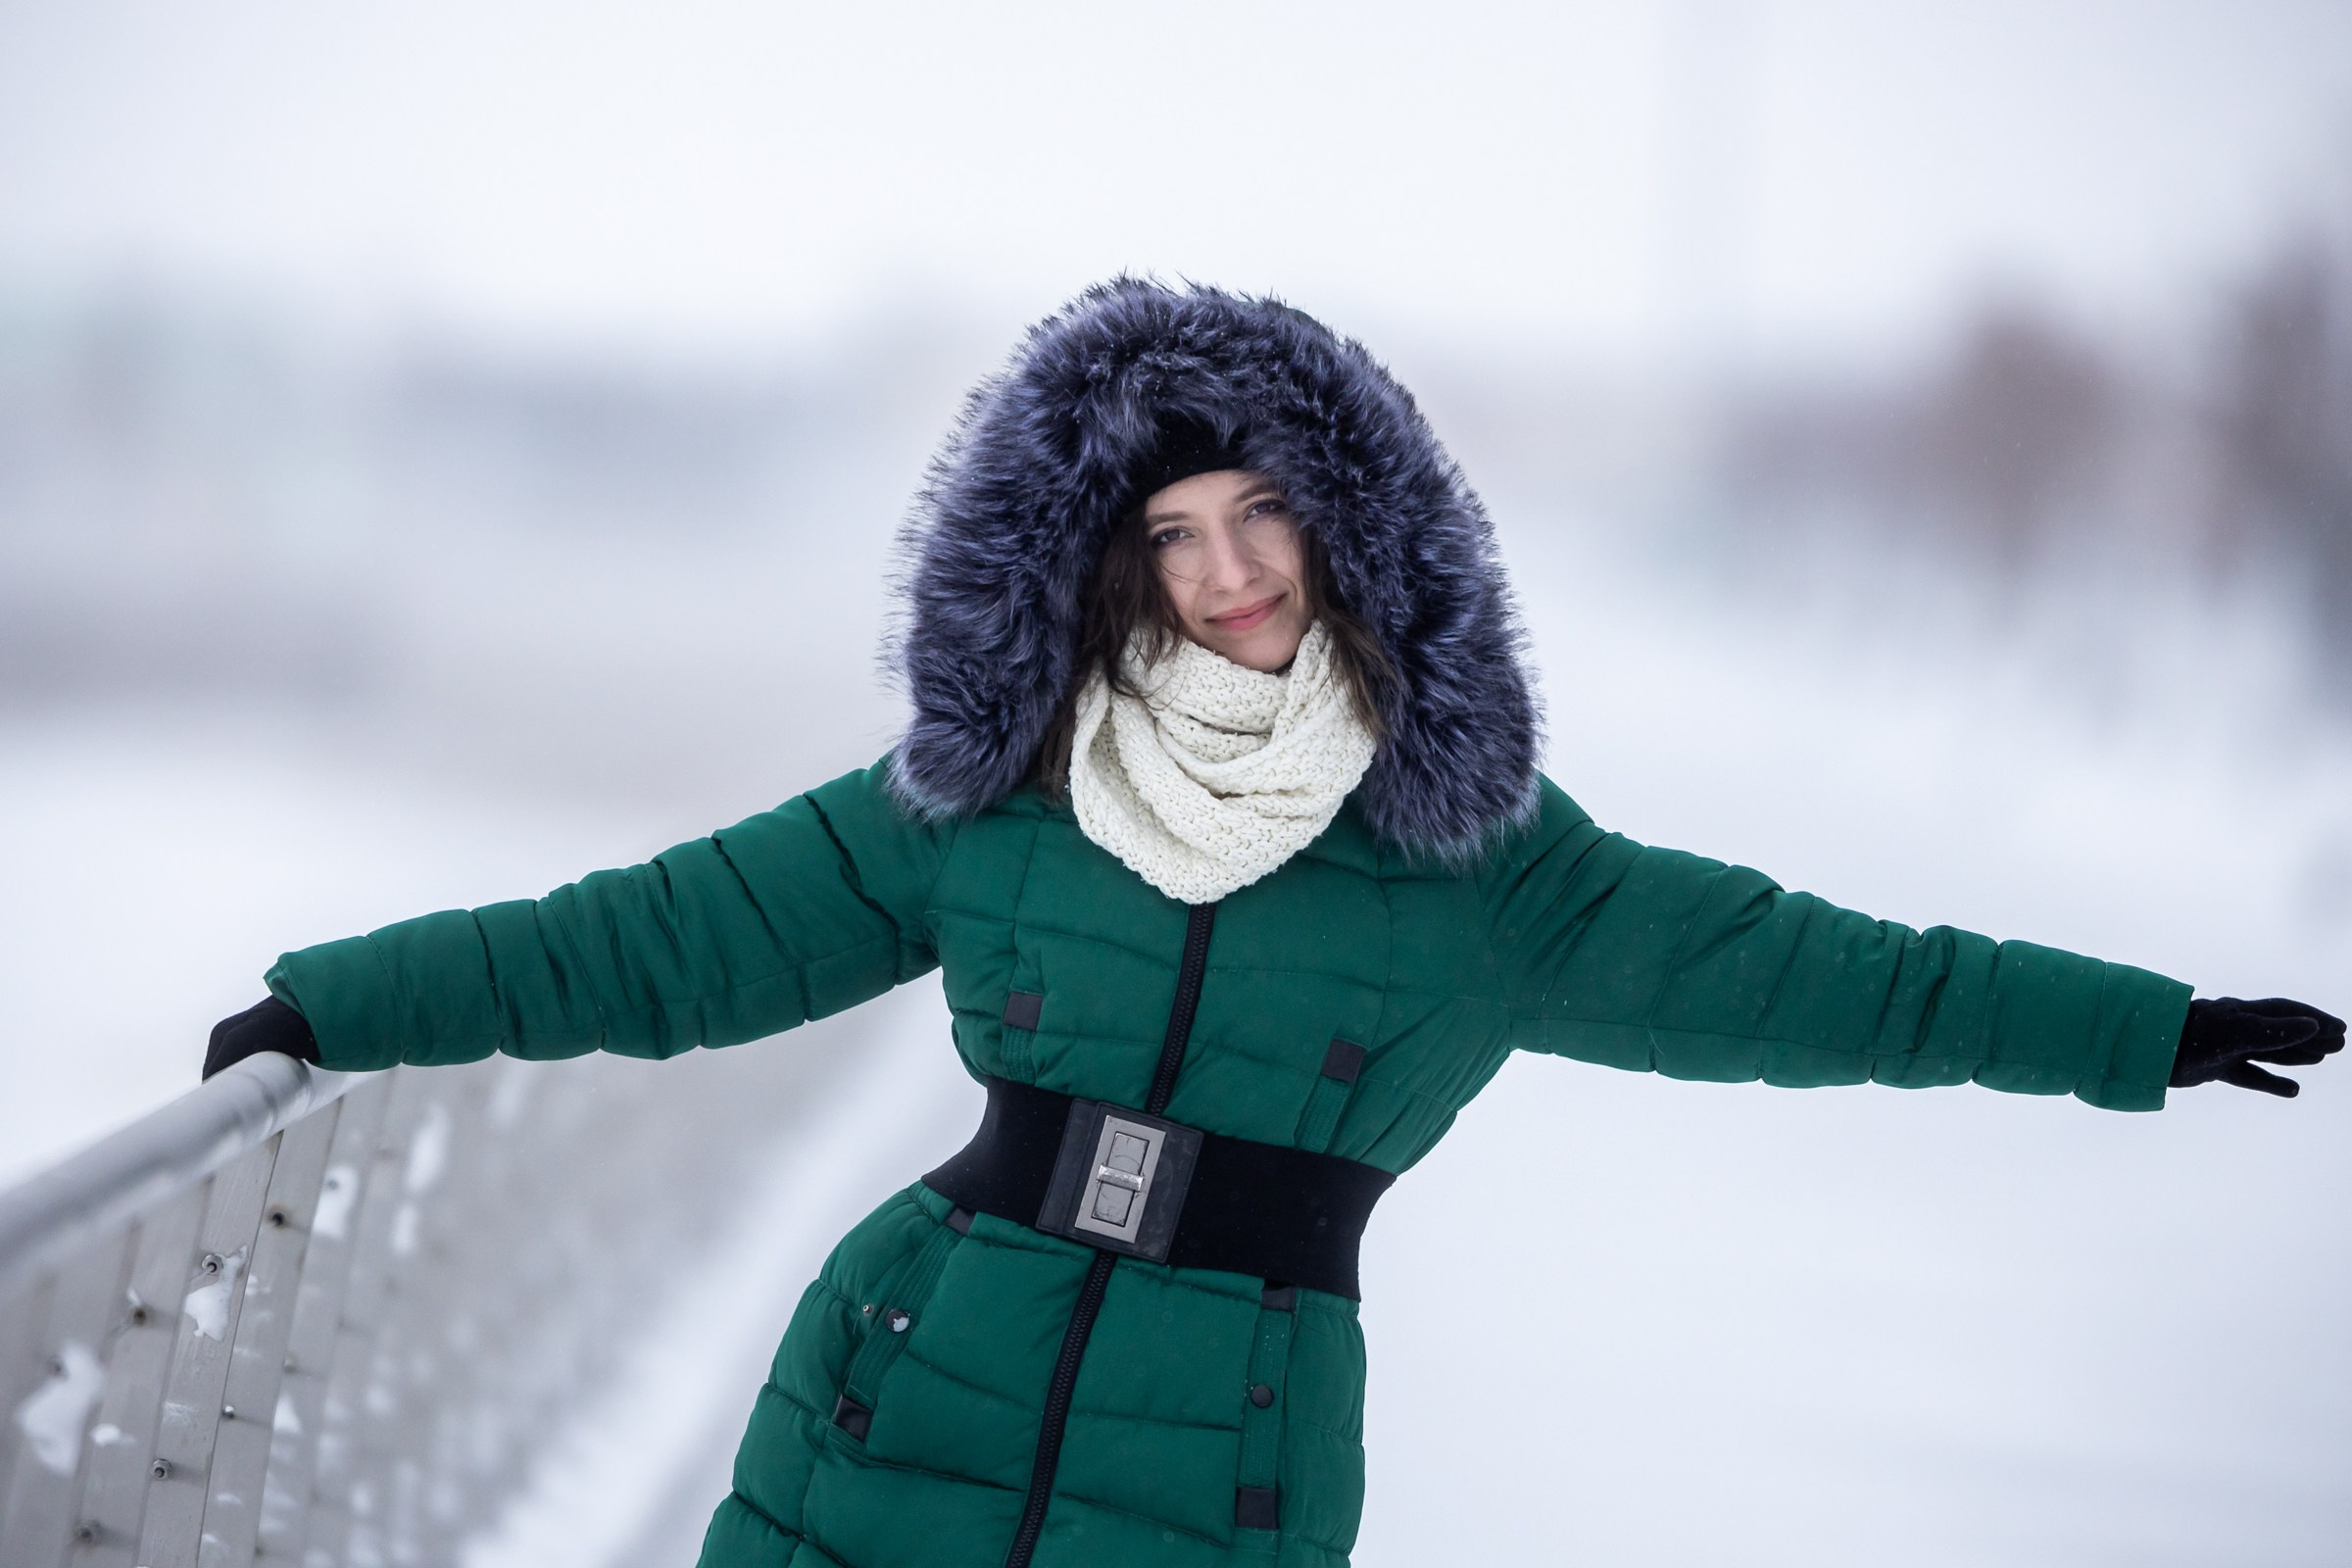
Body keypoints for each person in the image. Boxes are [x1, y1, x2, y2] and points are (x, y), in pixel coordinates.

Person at [204, 278, 2343, 1568]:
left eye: (1261, 514)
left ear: (1348, 518)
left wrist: (2141, 1026)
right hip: (891, 1396)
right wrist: (339, 999)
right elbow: (653, 938)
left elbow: (1828, 971)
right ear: (1104, 562)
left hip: (1227, 1448)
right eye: (1172, 530)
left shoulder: (1481, 862)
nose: (1228, 571)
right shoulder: (990, 789)